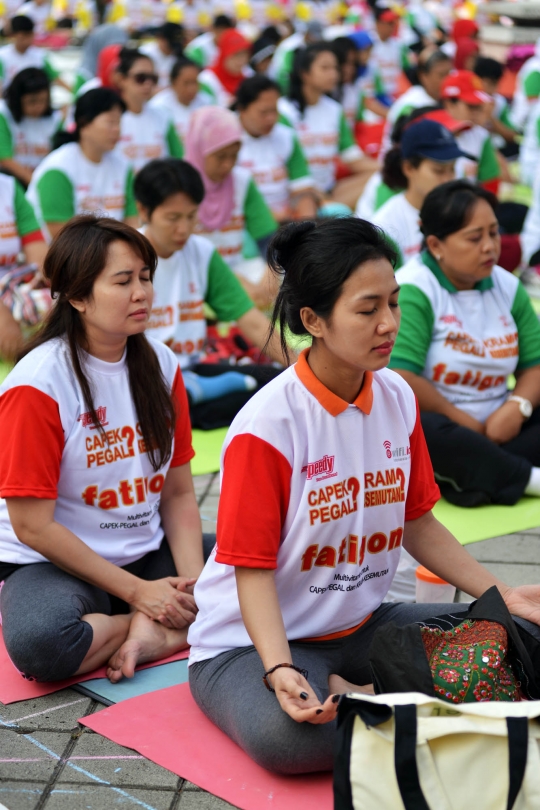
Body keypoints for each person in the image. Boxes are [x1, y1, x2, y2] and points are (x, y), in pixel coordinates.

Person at [186, 216, 540, 775]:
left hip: (364, 624)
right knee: (289, 740)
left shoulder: (396, 395)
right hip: (256, 642)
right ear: (313, 320)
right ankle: (397, 693)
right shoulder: (268, 426)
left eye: (394, 304)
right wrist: (278, 669)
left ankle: (368, 690)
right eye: (367, 309)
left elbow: (418, 523)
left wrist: (501, 594)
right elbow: (249, 570)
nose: (388, 324)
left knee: (527, 637)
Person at [0, 215, 204, 683]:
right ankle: (142, 630)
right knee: (40, 644)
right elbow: (32, 526)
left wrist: (192, 593)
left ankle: (160, 633)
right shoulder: (38, 384)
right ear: (76, 296)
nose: (142, 293)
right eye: (123, 281)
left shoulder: (162, 364)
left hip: (148, 553)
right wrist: (142, 598)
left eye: (146, 278)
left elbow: (176, 494)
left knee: (280, 563)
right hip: (58, 563)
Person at [390, 179, 540, 508]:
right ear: (436, 244)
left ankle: (481, 477)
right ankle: (525, 478)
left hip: (503, 425)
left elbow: (534, 364)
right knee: (424, 430)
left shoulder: (506, 285)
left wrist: (518, 408)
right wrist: (464, 422)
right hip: (448, 427)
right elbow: (403, 376)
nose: (489, 247)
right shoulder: (413, 290)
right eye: (475, 238)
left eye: (494, 233)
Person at [134, 158, 289, 429]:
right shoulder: (125, 256)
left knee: (277, 386)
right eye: (172, 218)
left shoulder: (201, 252)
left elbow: (250, 320)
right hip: (140, 375)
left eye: (192, 216)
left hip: (191, 368)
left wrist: (303, 366)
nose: (184, 229)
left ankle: (189, 396)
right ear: (143, 211)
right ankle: (183, 400)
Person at [184, 106, 278, 300]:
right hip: (193, 273)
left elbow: (267, 239)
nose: (228, 164)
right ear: (200, 149)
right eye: (220, 157)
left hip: (236, 268)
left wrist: (272, 272)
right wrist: (231, 281)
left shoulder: (241, 182)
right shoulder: (179, 185)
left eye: (233, 156)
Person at [27, 88, 138, 241]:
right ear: (84, 124)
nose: (117, 130)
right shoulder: (58, 168)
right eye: (110, 122)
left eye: (119, 122)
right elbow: (61, 234)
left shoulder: (123, 166)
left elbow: (132, 224)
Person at [278, 43, 376, 210]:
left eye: (335, 68)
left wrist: (389, 168)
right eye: (325, 68)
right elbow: (284, 169)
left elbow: (352, 157)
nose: (333, 74)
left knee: (381, 179)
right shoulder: (283, 112)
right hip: (298, 196)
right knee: (337, 211)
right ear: (304, 73)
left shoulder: (335, 110)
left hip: (329, 191)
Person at [372, 118, 464, 266]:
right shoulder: (386, 226)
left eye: (452, 169)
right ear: (408, 168)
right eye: (438, 171)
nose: (448, 179)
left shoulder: (464, 208)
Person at [236, 75, 316, 221]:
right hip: (249, 221)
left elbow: (302, 188)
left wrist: (306, 223)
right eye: (264, 112)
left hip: (289, 217)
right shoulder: (229, 140)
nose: (271, 118)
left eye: (274, 111)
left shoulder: (287, 136)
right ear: (242, 109)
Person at [114, 47, 183, 172]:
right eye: (140, 78)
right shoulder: (109, 118)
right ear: (121, 79)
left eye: (153, 78)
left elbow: (178, 159)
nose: (148, 84)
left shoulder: (163, 115)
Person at [0, 67, 63, 186]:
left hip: (44, 179)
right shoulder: (3, 114)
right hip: (11, 179)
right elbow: (4, 158)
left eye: (43, 101)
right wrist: (34, 182)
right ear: (18, 99)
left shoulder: (54, 119)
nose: (38, 107)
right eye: (32, 102)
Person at [383, 48, 452, 154]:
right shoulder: (410, 106)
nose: (447, 80)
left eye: (449, 74)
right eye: (441, 75)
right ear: (423, 76)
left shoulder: (448, 99)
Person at [440, 70, 501, 189]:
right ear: (449, 104)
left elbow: (490, 184)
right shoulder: (430, 135)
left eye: (479, 106)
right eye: (471, 106)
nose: (476, 113)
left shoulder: (481, 135)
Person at [148, 57, 212, 144]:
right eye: (186, 83)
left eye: (195, 82)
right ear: (173, 82)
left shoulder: (206, 103)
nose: (192, 89)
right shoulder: (158, 106)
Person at [0, 15, 62, 90]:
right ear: (14, 35)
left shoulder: (40, 56)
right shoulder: (2, 56)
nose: (27, 40)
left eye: (30, 35)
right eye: (23, 36)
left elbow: (56, 78)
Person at [474, 57, 519, 157]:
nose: (493, 89)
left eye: (495, 84)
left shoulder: (499, 101)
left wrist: (491, 118)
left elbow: (511, 136)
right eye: (489, 83)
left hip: (495, 148)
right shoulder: (466, 100)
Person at [198, 29, 252, 108]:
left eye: (244, 55)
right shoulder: (207, 80)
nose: (241, 61)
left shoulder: (248, 75)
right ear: (224, 54)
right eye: (236, 55)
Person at [371, 7, 409, 101]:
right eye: (389, 23)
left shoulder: (400, 46)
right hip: (374, 97)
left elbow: (406, 71)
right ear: (377, 24)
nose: (393, 26)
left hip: (396, 96)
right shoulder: (368, 45)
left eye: (394, 23)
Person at [140, 22, 184, 90]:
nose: (172, 49)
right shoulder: (144, 53)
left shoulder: (179, 56)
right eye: (170, 45)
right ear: (160, 38)